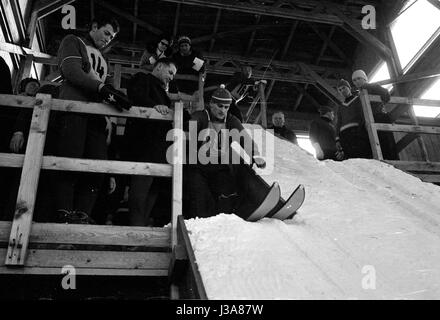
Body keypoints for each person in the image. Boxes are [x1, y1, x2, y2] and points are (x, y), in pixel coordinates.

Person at [51, 16, 131, 224]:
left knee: (97, 167)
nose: (108, 40)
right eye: (106, 33)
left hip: (97, 117)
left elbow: (104, 86)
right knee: (70, 160)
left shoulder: (104, 61)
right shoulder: (73, 41)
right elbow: (71, 71)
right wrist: (101, 88)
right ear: (94, 26)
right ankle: (63, 214)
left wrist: (112, 93)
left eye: (111, 37)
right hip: (74, 107)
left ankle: (82, 215)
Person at [186, 85, 266, 219]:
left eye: (226, 107)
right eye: (220, 106)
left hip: (219, 168)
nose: (223, 110)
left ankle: (226, 222)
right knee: (199, 197)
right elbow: (191, 126)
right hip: (198, 168)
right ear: (211, 104)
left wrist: (255, 154)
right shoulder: (201, 116)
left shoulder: (230, 120)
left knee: (227, 193)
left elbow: (244, 138)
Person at [123, 57, 179, 226]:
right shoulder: (143, 78)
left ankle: (141, 232)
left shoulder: (163, 93)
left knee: (153, 191)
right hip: (144, 146)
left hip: (159, 149)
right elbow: (135, 95)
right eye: (170, 72)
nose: (171, 77)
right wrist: (154, 106)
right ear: (159, 66)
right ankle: (136, 232)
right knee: (139, 192)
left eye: (173, 75)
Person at [351, 69, 398, 160]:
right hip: (368, 121)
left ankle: (391, 162)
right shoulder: (359, 94)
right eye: (354, 80)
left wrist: (379, 105)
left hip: (378, 117)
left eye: (358, 78)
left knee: (386, 144)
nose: (356, 81)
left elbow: (385, 94)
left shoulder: (372, 86)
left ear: (364, 78)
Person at [335, 79, 372, 160]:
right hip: (344, 135)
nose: (342, 91)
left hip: (357, 132)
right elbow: (338, 123)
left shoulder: (358, 99)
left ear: (349, 88)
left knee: (363, 156)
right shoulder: (340, 107)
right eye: (340, 90)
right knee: (351, 160)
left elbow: (363, 114)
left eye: (344, 88)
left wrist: (363, 129)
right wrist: (337, 139)